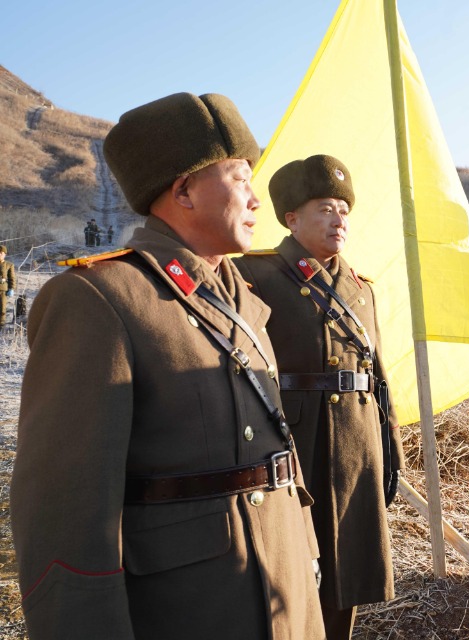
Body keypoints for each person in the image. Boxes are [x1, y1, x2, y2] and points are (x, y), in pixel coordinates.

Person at [11, 92, 326, 640]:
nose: (257, 201)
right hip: (193, 610)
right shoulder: (100, 299)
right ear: (183, 189)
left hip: (285, 593)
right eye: (240, 178)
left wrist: (306, 556)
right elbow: (64, 518)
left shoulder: (245, 301)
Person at [235, 154, 404, 639]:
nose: (339, 220)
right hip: (294, 440)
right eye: (326, 208)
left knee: (346, 569)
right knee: (288, 566)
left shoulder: (360, 288)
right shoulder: (256, 276)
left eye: (344, 211)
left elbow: (378, 373)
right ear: (291, 218)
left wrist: (389, 442)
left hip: (356, 444)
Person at [0, 245, 16, 325]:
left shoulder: (9, 265)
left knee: (2, 309)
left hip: (3, 290)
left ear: (5, 254)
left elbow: (12, 278)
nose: (0, 254)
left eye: (1, 253)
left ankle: (1, 325)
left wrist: (11, 288)